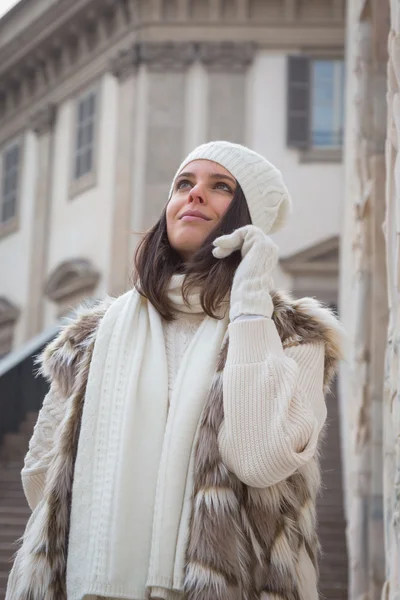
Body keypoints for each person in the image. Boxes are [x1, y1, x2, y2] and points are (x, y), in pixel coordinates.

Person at [6, 141, 344, 600]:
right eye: (184, 184)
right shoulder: (92, 336)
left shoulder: (293, 335)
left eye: (220, 186)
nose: (195, 194)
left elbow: (259, 459)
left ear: (249, 217)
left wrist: (250, 306)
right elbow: (42, 481)